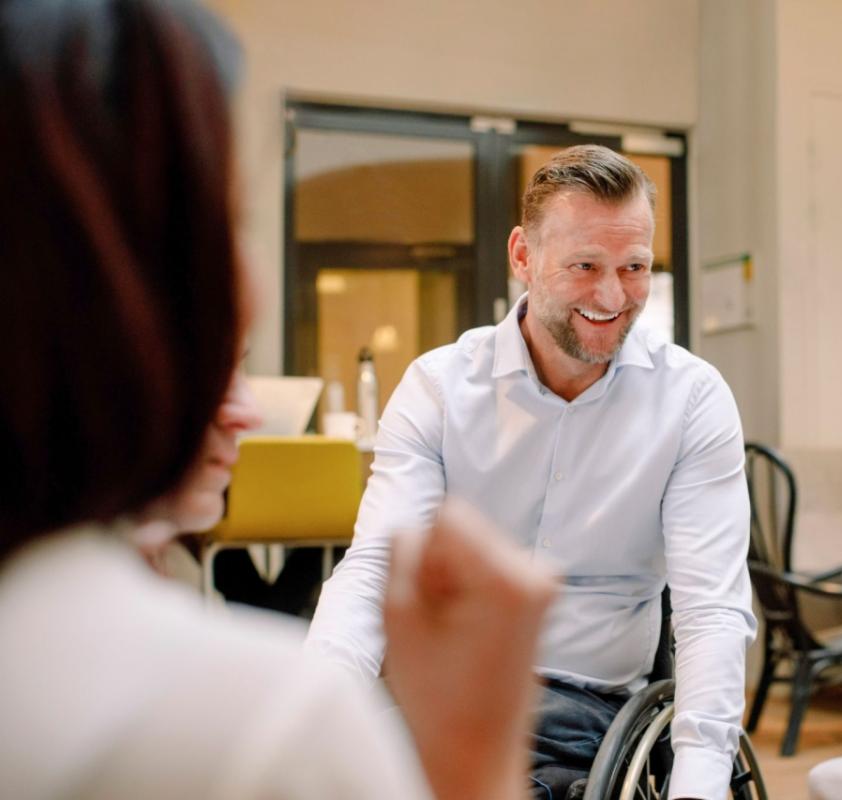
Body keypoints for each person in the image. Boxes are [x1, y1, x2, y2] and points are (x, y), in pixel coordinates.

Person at [0, 2, 554, 798]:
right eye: (229, 224)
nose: (245, 410)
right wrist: (474, 751)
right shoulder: (252, 727)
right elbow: (370, 560)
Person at [306, 144, 757, 800]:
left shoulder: (690, 399)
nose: (612, 295)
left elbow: (710, 609)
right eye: (584, 265)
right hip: (439, 693)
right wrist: (316, 713)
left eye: (634, 267)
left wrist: (697, 786)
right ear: (523, 256)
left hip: (588, 711)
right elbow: (375, 566)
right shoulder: (438, 387)